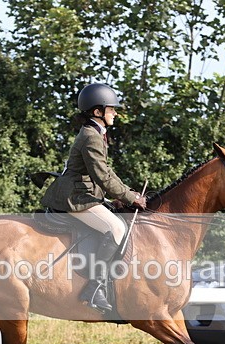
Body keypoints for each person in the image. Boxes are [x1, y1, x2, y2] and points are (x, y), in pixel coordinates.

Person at [41, 82, 147, 312]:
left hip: (85, 193)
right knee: (117, 229)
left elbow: (106, 173)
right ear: (97, 111)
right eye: (112, 109)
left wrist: (126, 193)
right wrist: (130, 198)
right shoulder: (91, 136)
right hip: (76, 198)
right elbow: (101, 175)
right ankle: (94, 288)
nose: (116, 113)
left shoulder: (96, 133)